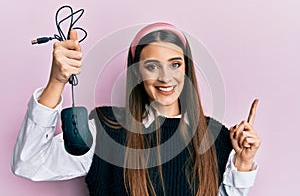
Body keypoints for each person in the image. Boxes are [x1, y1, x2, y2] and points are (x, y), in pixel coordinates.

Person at [12, 22, 261, 196]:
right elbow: (29, 163)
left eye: (175, 64)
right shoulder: (106, 130)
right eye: (152, 66)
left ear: (186, 69)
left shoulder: (216, 136)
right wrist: (56, 81)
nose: (166, 77)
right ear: (137, 73)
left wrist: (242, 162)